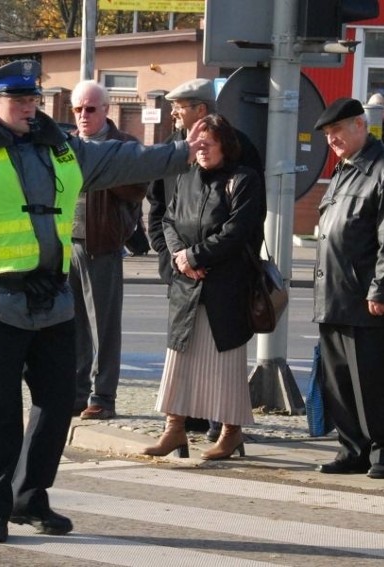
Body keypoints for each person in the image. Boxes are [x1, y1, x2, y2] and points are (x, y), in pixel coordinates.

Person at [0, 60, 204, 543]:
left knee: (58, 402)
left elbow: (123, 161)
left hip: (53, 298)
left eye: (33, 100)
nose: (30, 107)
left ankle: (31, 497)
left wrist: (180, 152)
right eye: (20, 100)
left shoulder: (64, 149)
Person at [142, 113, 266, 460]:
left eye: (208, 145)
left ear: (225, 145)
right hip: (186, 286)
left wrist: (195, 257)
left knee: (225, 365)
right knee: (179, 360)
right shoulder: (186, 177)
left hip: (225, 287)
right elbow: (169, 218)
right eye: (198, 145)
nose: (201, 151)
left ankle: (230, 432)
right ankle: (174, 430)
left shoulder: (244, 180)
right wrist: (181, 257)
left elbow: (236, 231)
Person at [312, 98, 384, 479]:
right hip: (332, 293)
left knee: (371, 381)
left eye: (337, 131)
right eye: (326, 134)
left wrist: (381, 289)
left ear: (360, 125)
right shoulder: (343, 170)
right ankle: (352, 448)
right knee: (338, 381)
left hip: (363, 296)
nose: (331, 140)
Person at [69, 80, 148, 420]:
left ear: (105, 110)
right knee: (72, 324)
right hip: (65, 244)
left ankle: (103, 397)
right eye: (78, 109)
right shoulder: (67, 145)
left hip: (103, 243)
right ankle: (75, 394)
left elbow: (138, 187)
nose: (84, 116)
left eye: (90, 109)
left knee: (103, 325)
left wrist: (103, 169)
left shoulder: (124, 145)